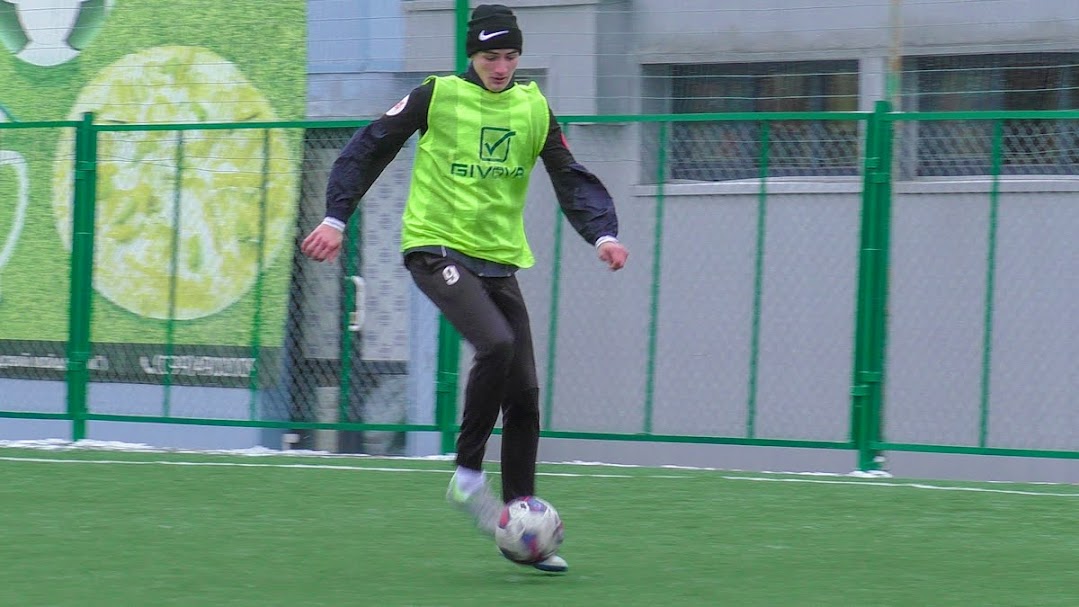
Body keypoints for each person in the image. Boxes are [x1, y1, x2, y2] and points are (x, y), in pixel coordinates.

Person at [300, 3, 628, 573]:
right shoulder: (437, 96)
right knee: (496, 346)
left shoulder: (533, 108)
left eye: (509, 56)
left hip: (498, 260)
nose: (500, 67)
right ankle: (468, 474)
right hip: (436, 247)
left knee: (524, 394)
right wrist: (334, 215)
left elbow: (568, 174)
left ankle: (521, 521)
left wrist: (602, 234)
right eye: (488, 56)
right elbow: (370, 145)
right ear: (470, 56)